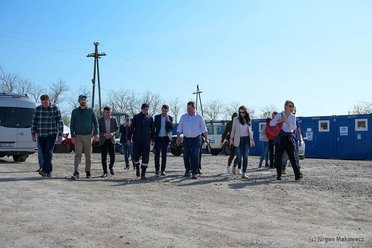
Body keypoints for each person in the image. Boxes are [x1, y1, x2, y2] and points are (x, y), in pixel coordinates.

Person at [31, 94, 63, 177]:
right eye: (43, 100)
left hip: (51, 133)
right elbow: (34, 122)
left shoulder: (55, 109)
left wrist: (60, 134)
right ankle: (49, 171)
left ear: (49, 101)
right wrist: (33, 133)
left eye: (46, 100)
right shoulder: (37, 109)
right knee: (44, 153)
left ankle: (44, 170)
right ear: (41, 101)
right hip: (41, 134)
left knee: (48, 152)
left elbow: (60, 122)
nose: (44, 102)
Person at [270, 100, 302, 181]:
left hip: (289, 137)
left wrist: (287, 121)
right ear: (285, 106)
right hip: (280, 138)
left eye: (292, 106)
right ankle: (279, 175)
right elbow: (271, 123)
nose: (291, 107)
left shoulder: (293, 117)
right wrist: (279, 120)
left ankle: (297, 175)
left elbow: (294, 128)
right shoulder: (279, 114)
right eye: (290, 106)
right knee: (279, 157)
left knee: (292, 157)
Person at [176, 101, 208, 179]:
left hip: (196, 139)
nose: (188, 109)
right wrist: (178, 138)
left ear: (194, 108)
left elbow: (204, 129)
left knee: (195, 154)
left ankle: (194, 172)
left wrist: (206, 138)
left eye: (190, 108)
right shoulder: (183, 117)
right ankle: (187, 170)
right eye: (187, 108)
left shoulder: (199, 117)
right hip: (186, 139)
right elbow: (179, 128)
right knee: (186, 155)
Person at [70, 94, 98, 180]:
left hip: (88, 136)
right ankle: (76, 172)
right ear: (79, 101)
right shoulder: (74, 111)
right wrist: (73, 136)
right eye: (81, 99)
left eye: (84, 99)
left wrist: (96, 133)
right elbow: (72, 125)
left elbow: (95, 123)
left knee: (88, 155)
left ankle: (88, 171)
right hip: (78, 136)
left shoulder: (91, 111)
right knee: (78, 154)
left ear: (86, 101)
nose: (83, 101)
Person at [127, 103, 155, 180]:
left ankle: (143, 174)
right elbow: (131, 128)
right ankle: (137, 167)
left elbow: (152, 129)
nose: (146, 110)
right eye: (145, 109)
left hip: (146, 141)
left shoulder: (150, 118)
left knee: (146, 157)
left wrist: (153, 139)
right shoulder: (136, 117)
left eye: (147, 109)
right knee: (135, 156)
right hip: (137, 140)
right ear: (141, 109)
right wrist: (129, 138)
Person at [229, 105, 255, 179]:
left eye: (243, 112)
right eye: (240, 112)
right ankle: (234, 166)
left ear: (245, 112)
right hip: (238, 139)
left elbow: (250, 131)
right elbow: (233, 130)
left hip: (246, 139)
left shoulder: (249, 119)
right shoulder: (235, 119)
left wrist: (252, 139)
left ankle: (244, 173)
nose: (241, 114)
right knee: (239, 156)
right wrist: (231, 139)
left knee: (245, 157)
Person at [281, 107, 303, 174]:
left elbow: (298, 130)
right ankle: (282, 168)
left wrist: (300, 139)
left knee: (296, 155)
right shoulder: (285, 118)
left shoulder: (296, 120)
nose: (293, 111)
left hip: (295, 139)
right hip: (287, 138)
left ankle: (298, 169)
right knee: (286, 155)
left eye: (294, 110)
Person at [98, 106, 118, 177]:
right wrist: (103, 134)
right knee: (104, 157)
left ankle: (110, 167)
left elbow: (117, 129)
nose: (108, 113)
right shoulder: (100, 120)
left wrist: (112, 133)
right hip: (103, 140)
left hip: (111, 139)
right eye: (107, 112)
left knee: (113, 156)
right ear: (104, 112)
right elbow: (98, 130)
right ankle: (105, 171)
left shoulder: (113, 119)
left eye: (109, 112)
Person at [153, 104, 173, 176]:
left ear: (167, 111)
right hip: (158, 138)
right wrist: (153, 138)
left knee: (164, 155)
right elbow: (153, 128)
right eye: (163, 110)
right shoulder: (157, 117)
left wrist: (168, 120)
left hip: (165, 138)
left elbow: (172, 127)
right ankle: (157, 170)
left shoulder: (170, 118)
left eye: (166, 111)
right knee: (157, 154)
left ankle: (163, 170)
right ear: (161, 109)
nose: (164, 112)